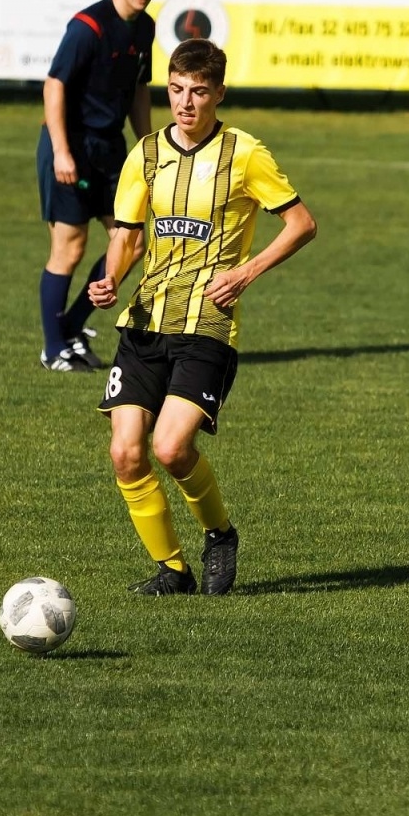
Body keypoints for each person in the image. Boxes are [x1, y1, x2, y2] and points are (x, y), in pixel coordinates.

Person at [87, 39, 317, 595]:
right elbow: (128, 235)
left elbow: (302, 224)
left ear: (218, 93)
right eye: (176, 90)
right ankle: (172, 569)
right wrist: (112, 278)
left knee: (171, 448)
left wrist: (246, 272)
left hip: (208, 326)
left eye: (198, 92)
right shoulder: (144, 153)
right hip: (144, 322)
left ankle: (219, 534)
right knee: (125, 453)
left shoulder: (244, 154)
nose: (185, 103)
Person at [37, 0, 160, 371]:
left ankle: (69, 327)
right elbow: (54, 85)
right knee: (69, 249)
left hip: (111, 150)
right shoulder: (87, 27)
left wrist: (149, 145)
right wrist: (61, 152)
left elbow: (139, 89)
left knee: (133, 243)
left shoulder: (145, 28)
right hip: (71, 145)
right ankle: (53, 350)